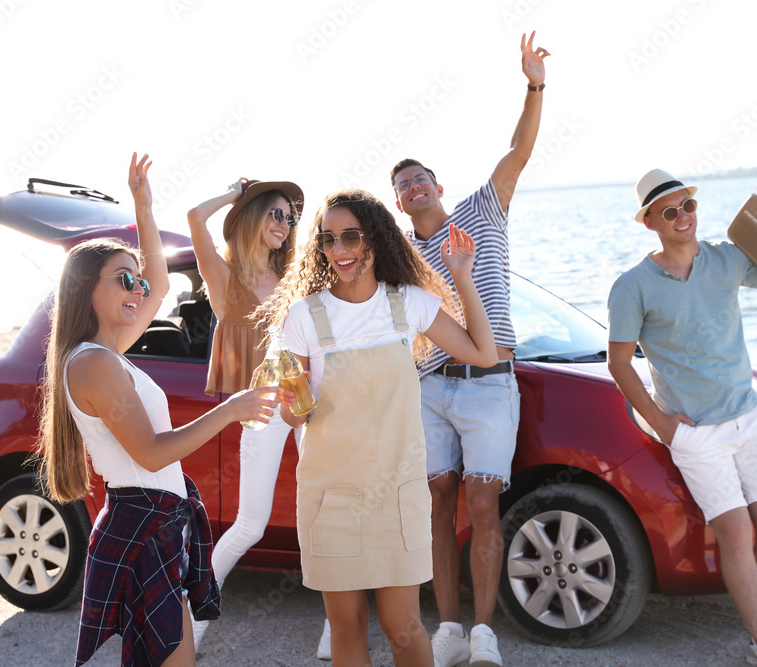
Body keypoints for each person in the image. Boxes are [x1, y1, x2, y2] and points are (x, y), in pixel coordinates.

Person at [38, 154, 287, 666]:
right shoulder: (93, 364)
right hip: (142, 522)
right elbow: (150, 454)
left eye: (137, 280)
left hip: (154, 522)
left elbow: (162, 280)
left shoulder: (107, 352)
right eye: (122, 280)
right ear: (87, 288)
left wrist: (143, 208)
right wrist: (233, 408)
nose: (139, 289)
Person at [605, 169, 757, 667]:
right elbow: (618, 362)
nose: (682, 216)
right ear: (649, 223)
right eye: (669, 211)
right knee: (736, 532)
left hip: (748, 417)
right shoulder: (632, 286)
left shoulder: (725, 258)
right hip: (696, 435)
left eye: (686, 205)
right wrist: (662, 425)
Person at [267, 189, 497, 667]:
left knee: (406, 629)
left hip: (398, 494)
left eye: (351, 236)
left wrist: (461, 276)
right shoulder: (304, 316)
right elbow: (293, 415)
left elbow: (484, 354)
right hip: (331, 494)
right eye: (329, 239)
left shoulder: (409, 304)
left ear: (377, 238)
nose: (340, 250)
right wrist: (291, 402)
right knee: (346, 630)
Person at [388, 30, 549, 667]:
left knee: (483, 501)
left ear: (437, 184)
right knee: (438, 499)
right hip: (431, 386)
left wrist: (533, 84)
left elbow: (521, 149)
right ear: (398, 202)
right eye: (403, 184)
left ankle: (483, 632)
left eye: (421, 177)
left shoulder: (482, 211)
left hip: (490, 383)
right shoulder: (398, 258)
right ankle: (447, 629)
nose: (414, 187)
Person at [185, 176, 304, 647]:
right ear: (253, 217)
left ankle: (336, 633)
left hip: (305, 402)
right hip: (263, 410)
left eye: (290, 217)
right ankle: (188, 628)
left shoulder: (291, 276)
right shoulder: (224, 278)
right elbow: (195, 218)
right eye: (275, 212)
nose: (285, 223)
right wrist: (237, 193)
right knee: (250, 524)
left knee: (322, 514)